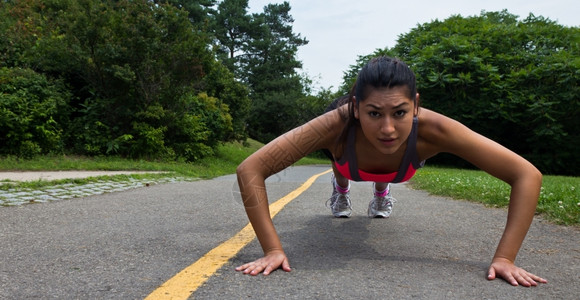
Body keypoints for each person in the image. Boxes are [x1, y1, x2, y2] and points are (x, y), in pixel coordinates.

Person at [235, 56, 547, 287]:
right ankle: (340, 189)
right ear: (356, 107)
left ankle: (381, 191)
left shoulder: (435, 129)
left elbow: (527, 174)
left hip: (401, 169)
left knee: (385, 175)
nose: (387, 128)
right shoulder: (336, 123)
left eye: (399, 113)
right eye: (373, 113)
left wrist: (505, 257)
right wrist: (272, 249)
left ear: (416, 105)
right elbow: (251, 168)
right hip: (348, 164)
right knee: (340, 163)